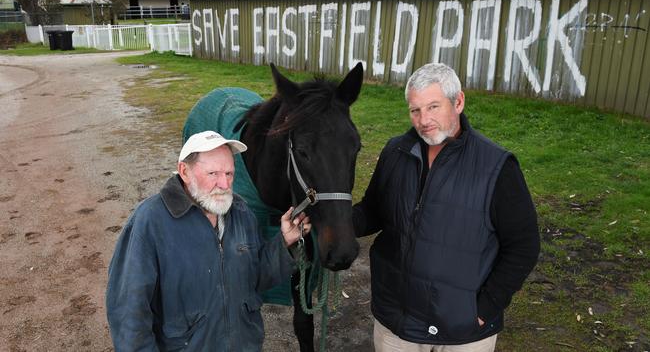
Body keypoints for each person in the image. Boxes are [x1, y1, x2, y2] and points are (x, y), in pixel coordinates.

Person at [353, 63, 540, 351]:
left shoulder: (496, 166)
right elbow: (374, 211)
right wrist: (331, 218)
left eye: (433, 107)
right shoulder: (396, 151)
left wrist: (484, 308)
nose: (423, 119)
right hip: (398, 323)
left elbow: (524, 245)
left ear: (459, 102)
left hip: (463, 331)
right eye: (415, 110)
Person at [106, 130, 310, 351]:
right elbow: (128, 312)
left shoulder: (241, 212)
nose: (224, 184)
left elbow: (254, 278)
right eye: (213, 173)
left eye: (229, 174)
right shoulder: (150, 222)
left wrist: (283, 242)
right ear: (185, 171)